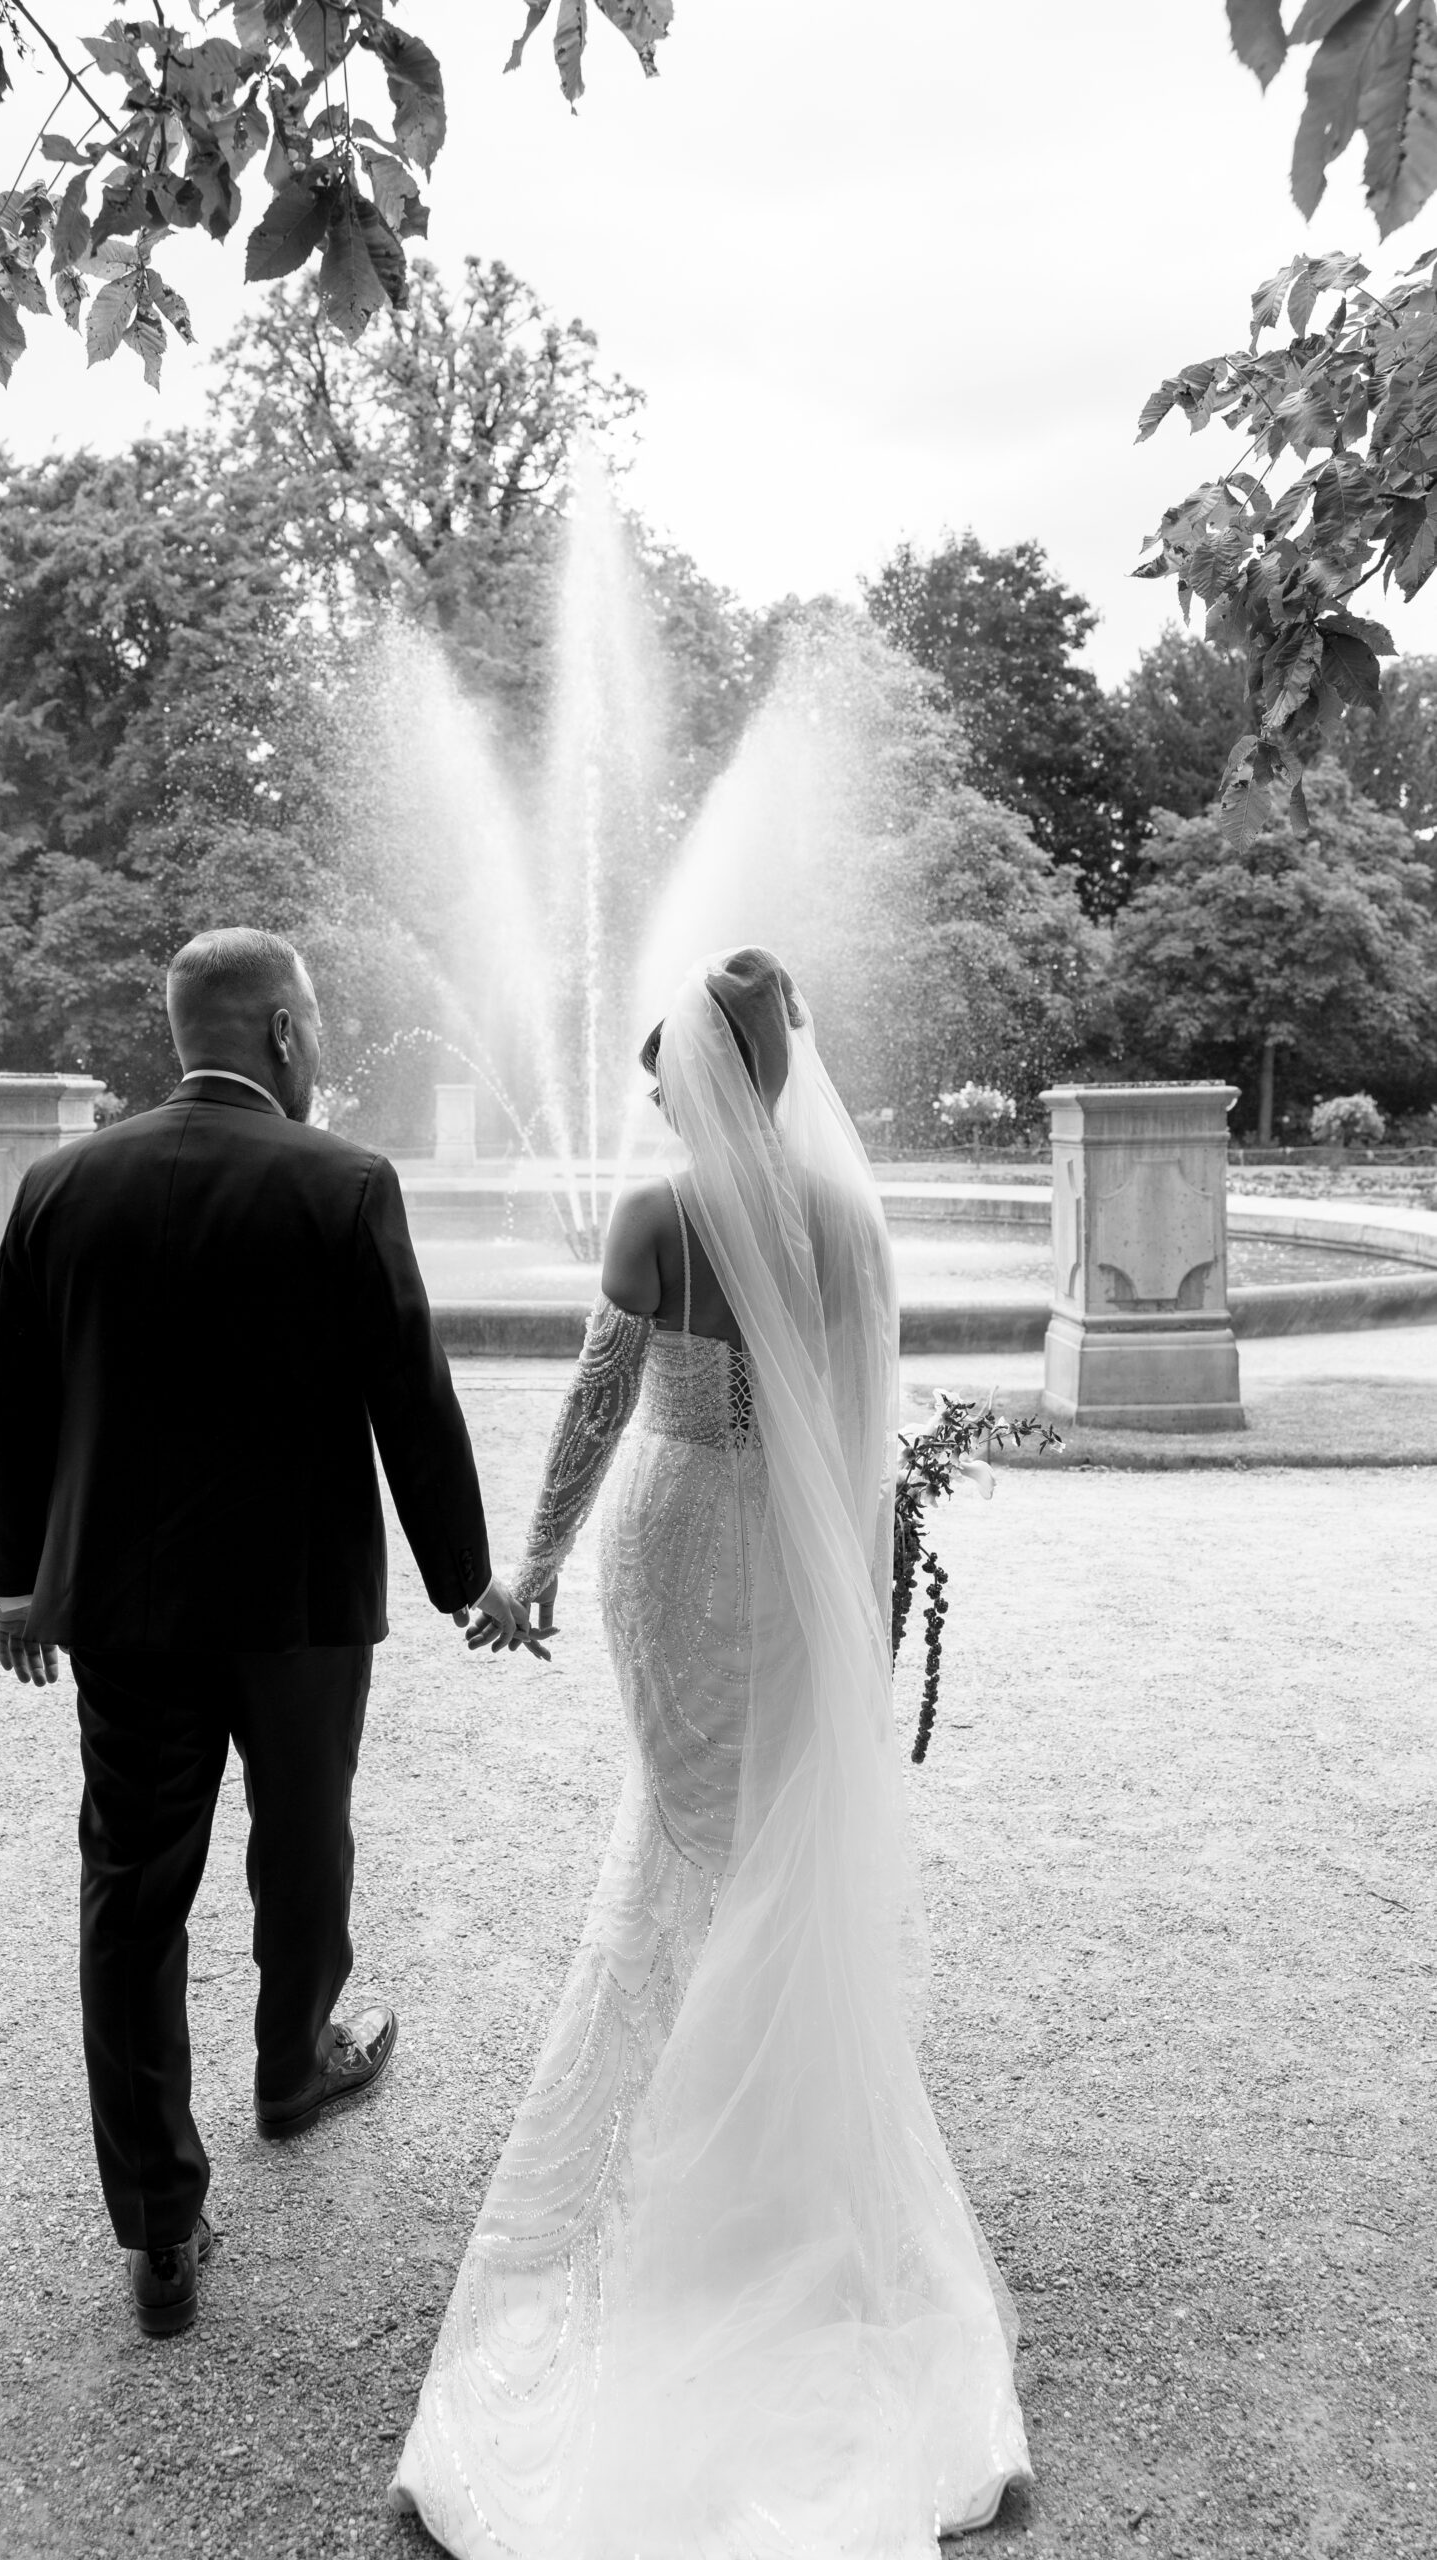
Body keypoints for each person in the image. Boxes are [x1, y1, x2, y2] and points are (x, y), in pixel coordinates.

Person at [392, 947, 1030, 2556]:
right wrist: (865, 1605)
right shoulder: (851, 1218)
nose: (647, 1087)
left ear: (700, 1071)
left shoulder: (662, 1218)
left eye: (660, 1061)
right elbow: (868, 1437)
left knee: (679, 1833)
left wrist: (530, 1565)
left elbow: (600, 1402)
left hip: (676, 1548)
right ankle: (788, 2174)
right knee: (772, 1838)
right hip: (805, 1563)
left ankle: (672, 2158)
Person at [0, 927, 536, 2339]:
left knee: (130, 1888)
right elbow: (412, 1395)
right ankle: (294, 2066)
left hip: (118, 1606)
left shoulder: (61, 1183)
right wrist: (465, 1574)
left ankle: (161, 2229)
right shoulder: (342, 1182)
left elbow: (17, 1398)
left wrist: (14, 1575)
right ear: (284, 1034)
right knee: (305, 1837)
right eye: (320, 1027)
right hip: (295, 1604)